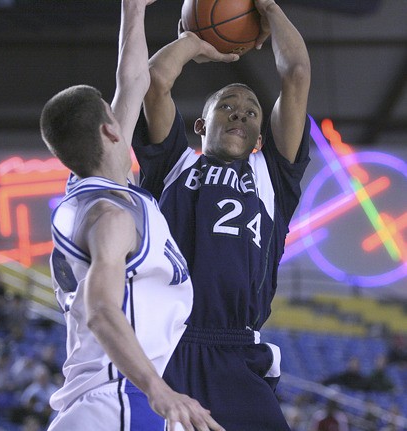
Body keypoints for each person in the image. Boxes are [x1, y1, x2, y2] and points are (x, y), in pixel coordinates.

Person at [40, 1, 223, 430]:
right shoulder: (110, 215)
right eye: (112, 113)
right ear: (110, 131)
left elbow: (133, 79)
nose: (122, 112)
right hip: (119, 398)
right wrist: (159, 392)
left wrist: (134, 9)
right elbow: (101, 308)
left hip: (99, 401)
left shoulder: (94, 192)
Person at [132, 0, 311, 429]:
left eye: (251, 112)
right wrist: (190, 41)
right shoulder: (174, 164)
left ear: (259, 135)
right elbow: (155, 81)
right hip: (167, 344)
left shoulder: (272, 179)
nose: (240, 113)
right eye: (228, 106)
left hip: (237, 352)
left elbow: (297, 73)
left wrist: (268, 9)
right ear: (200, 123)